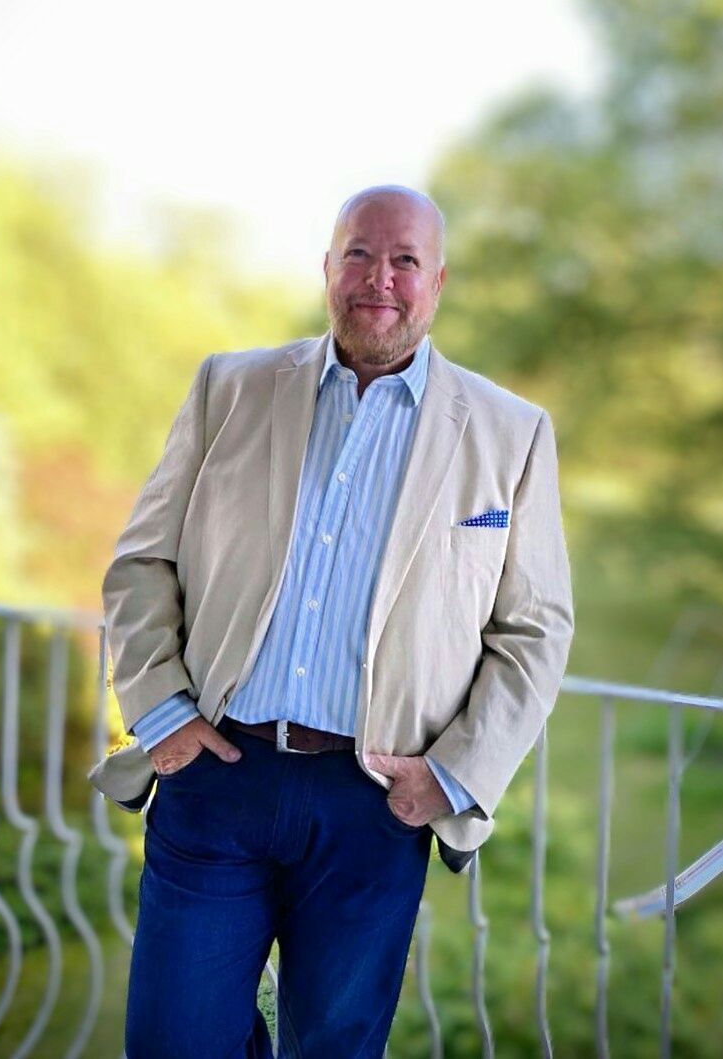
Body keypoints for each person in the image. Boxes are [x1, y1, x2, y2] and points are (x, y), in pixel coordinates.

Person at [88, 184, 575, 1058]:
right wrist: (163, 709)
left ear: (438, 280)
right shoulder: (228, 388)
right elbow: (142, 561)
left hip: (375, 805)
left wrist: (453, 775)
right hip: (217, 775)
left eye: (403, 260)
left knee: (333, 1046)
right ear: (326, 266)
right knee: (171, 1039)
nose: (377, 278)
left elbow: (533, 633)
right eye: (357, 252)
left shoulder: (511, 434)